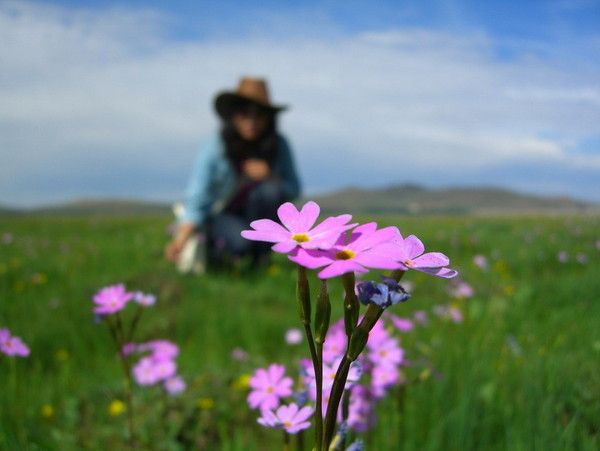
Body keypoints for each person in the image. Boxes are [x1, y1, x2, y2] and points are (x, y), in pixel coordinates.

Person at [165, 77, 301, 271]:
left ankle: (261, 260)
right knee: (240, 242)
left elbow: (294, 188)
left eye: (259, 114)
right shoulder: (217, 145)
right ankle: (222, 251)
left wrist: (270, 176)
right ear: (233, 115)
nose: (251, 121)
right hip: (224, 214)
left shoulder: (279, 145)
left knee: (270, 190)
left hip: (263, 215)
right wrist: (182, 236)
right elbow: (199, 191)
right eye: (244, 113)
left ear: (269, 118)